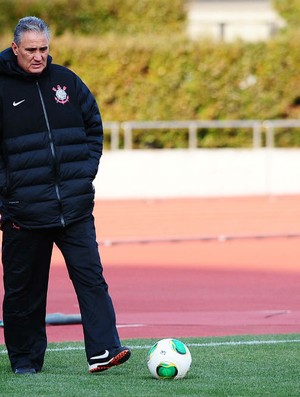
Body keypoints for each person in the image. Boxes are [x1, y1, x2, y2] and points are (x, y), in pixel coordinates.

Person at [0, 16, 131, 375]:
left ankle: (104, 350)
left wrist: (82, 175)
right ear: (15, 48)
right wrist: (7, 194)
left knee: (92, 278)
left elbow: (93, 125)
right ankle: (26, 362)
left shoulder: (67, 82)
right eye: (31, 50)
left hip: (73, 207)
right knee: (24, 292)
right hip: (23, 213)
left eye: (44, 49)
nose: (39, 56)